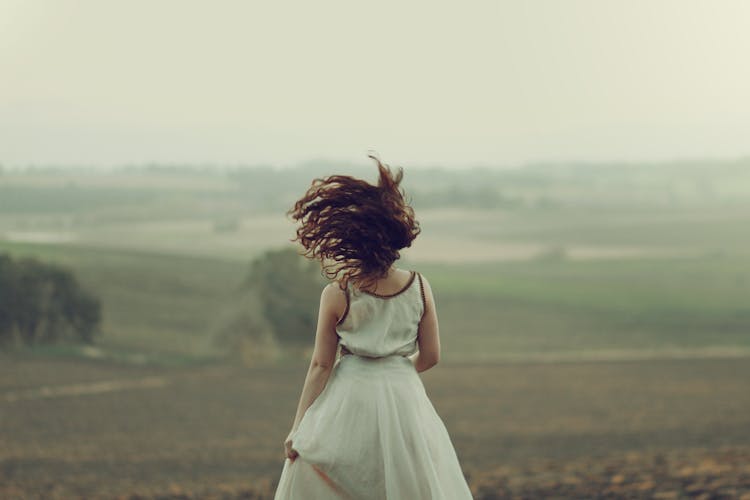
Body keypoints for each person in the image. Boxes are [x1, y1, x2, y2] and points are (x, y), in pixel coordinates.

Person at [273, 153, 473, 499]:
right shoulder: (421, 287)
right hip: (404, 395)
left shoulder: (337, 294)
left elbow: (321, 365)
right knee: (413, 481)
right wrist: (395, 372)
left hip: (349, 398)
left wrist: (298, 428)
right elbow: (431, 357)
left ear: (353, 242)